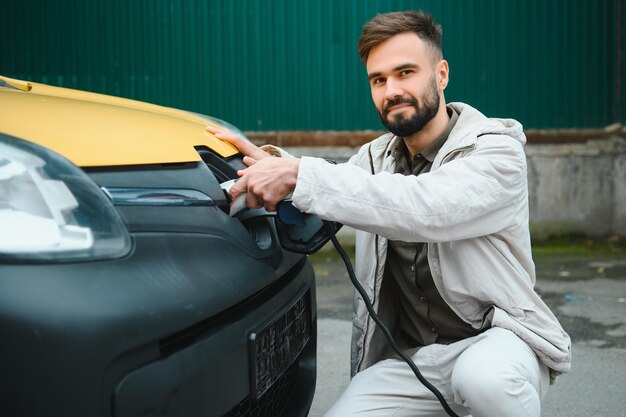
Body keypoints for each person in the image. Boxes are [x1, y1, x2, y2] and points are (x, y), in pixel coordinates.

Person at [206, 10, 571, 417]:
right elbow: (345, 187)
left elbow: (427, 206)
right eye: (378, 80)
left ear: (442, 74)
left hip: (499, 343)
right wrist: (267, 169)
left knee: (485, 380)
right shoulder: (375, 159)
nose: (391, 90)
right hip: (415, 362)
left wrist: (299, 175)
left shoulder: (497, 151)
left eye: (405, 72)